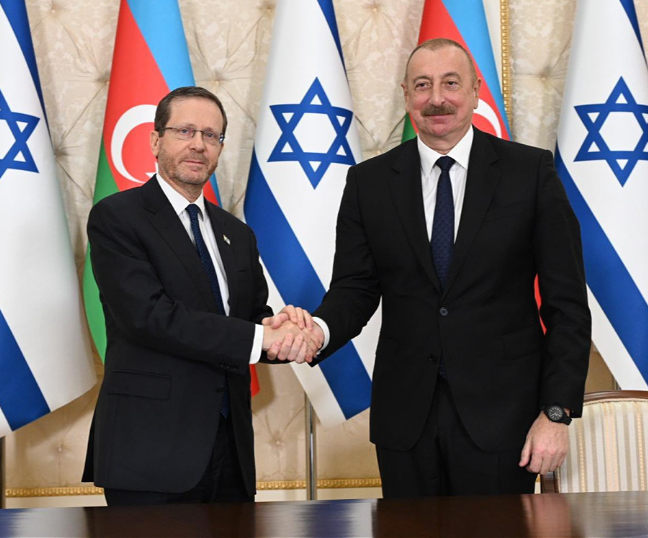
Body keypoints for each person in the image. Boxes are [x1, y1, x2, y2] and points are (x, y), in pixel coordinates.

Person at [273, 38, 591, 497]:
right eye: (422, 85)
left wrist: (556, 413)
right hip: (406, 419)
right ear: (406, 95)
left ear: (476, 91)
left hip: (504, 417)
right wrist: (316, 331)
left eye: (450, 83)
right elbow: (355, 290)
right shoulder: (369, 182)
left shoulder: (530, 173)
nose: (436, 98)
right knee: (407, 531)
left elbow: (567, 306)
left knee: (497, 532)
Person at [82, 86, 318, 506]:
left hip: (230, 450)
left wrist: (279, 330)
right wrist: (259, 336)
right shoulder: (117, 217)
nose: (198, 144)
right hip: (149, 450)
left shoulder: (237, 234)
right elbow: (149, 317)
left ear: (220, 148)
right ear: (155, 141)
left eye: (211, 135)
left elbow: (248, 322)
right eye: (185, 131)